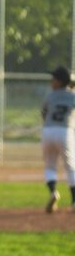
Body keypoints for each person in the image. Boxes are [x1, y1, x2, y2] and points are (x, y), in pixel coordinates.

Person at [40, 66, 75, 213]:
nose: (51, 81)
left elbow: (44, 113)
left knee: (50, 166)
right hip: (65, 131)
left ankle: (53, 192)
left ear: (60, 81)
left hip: (48, 130)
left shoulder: (50, 95)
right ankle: (74, 201)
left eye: (54, 79)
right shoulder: (73, 95)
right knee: (70, 167)